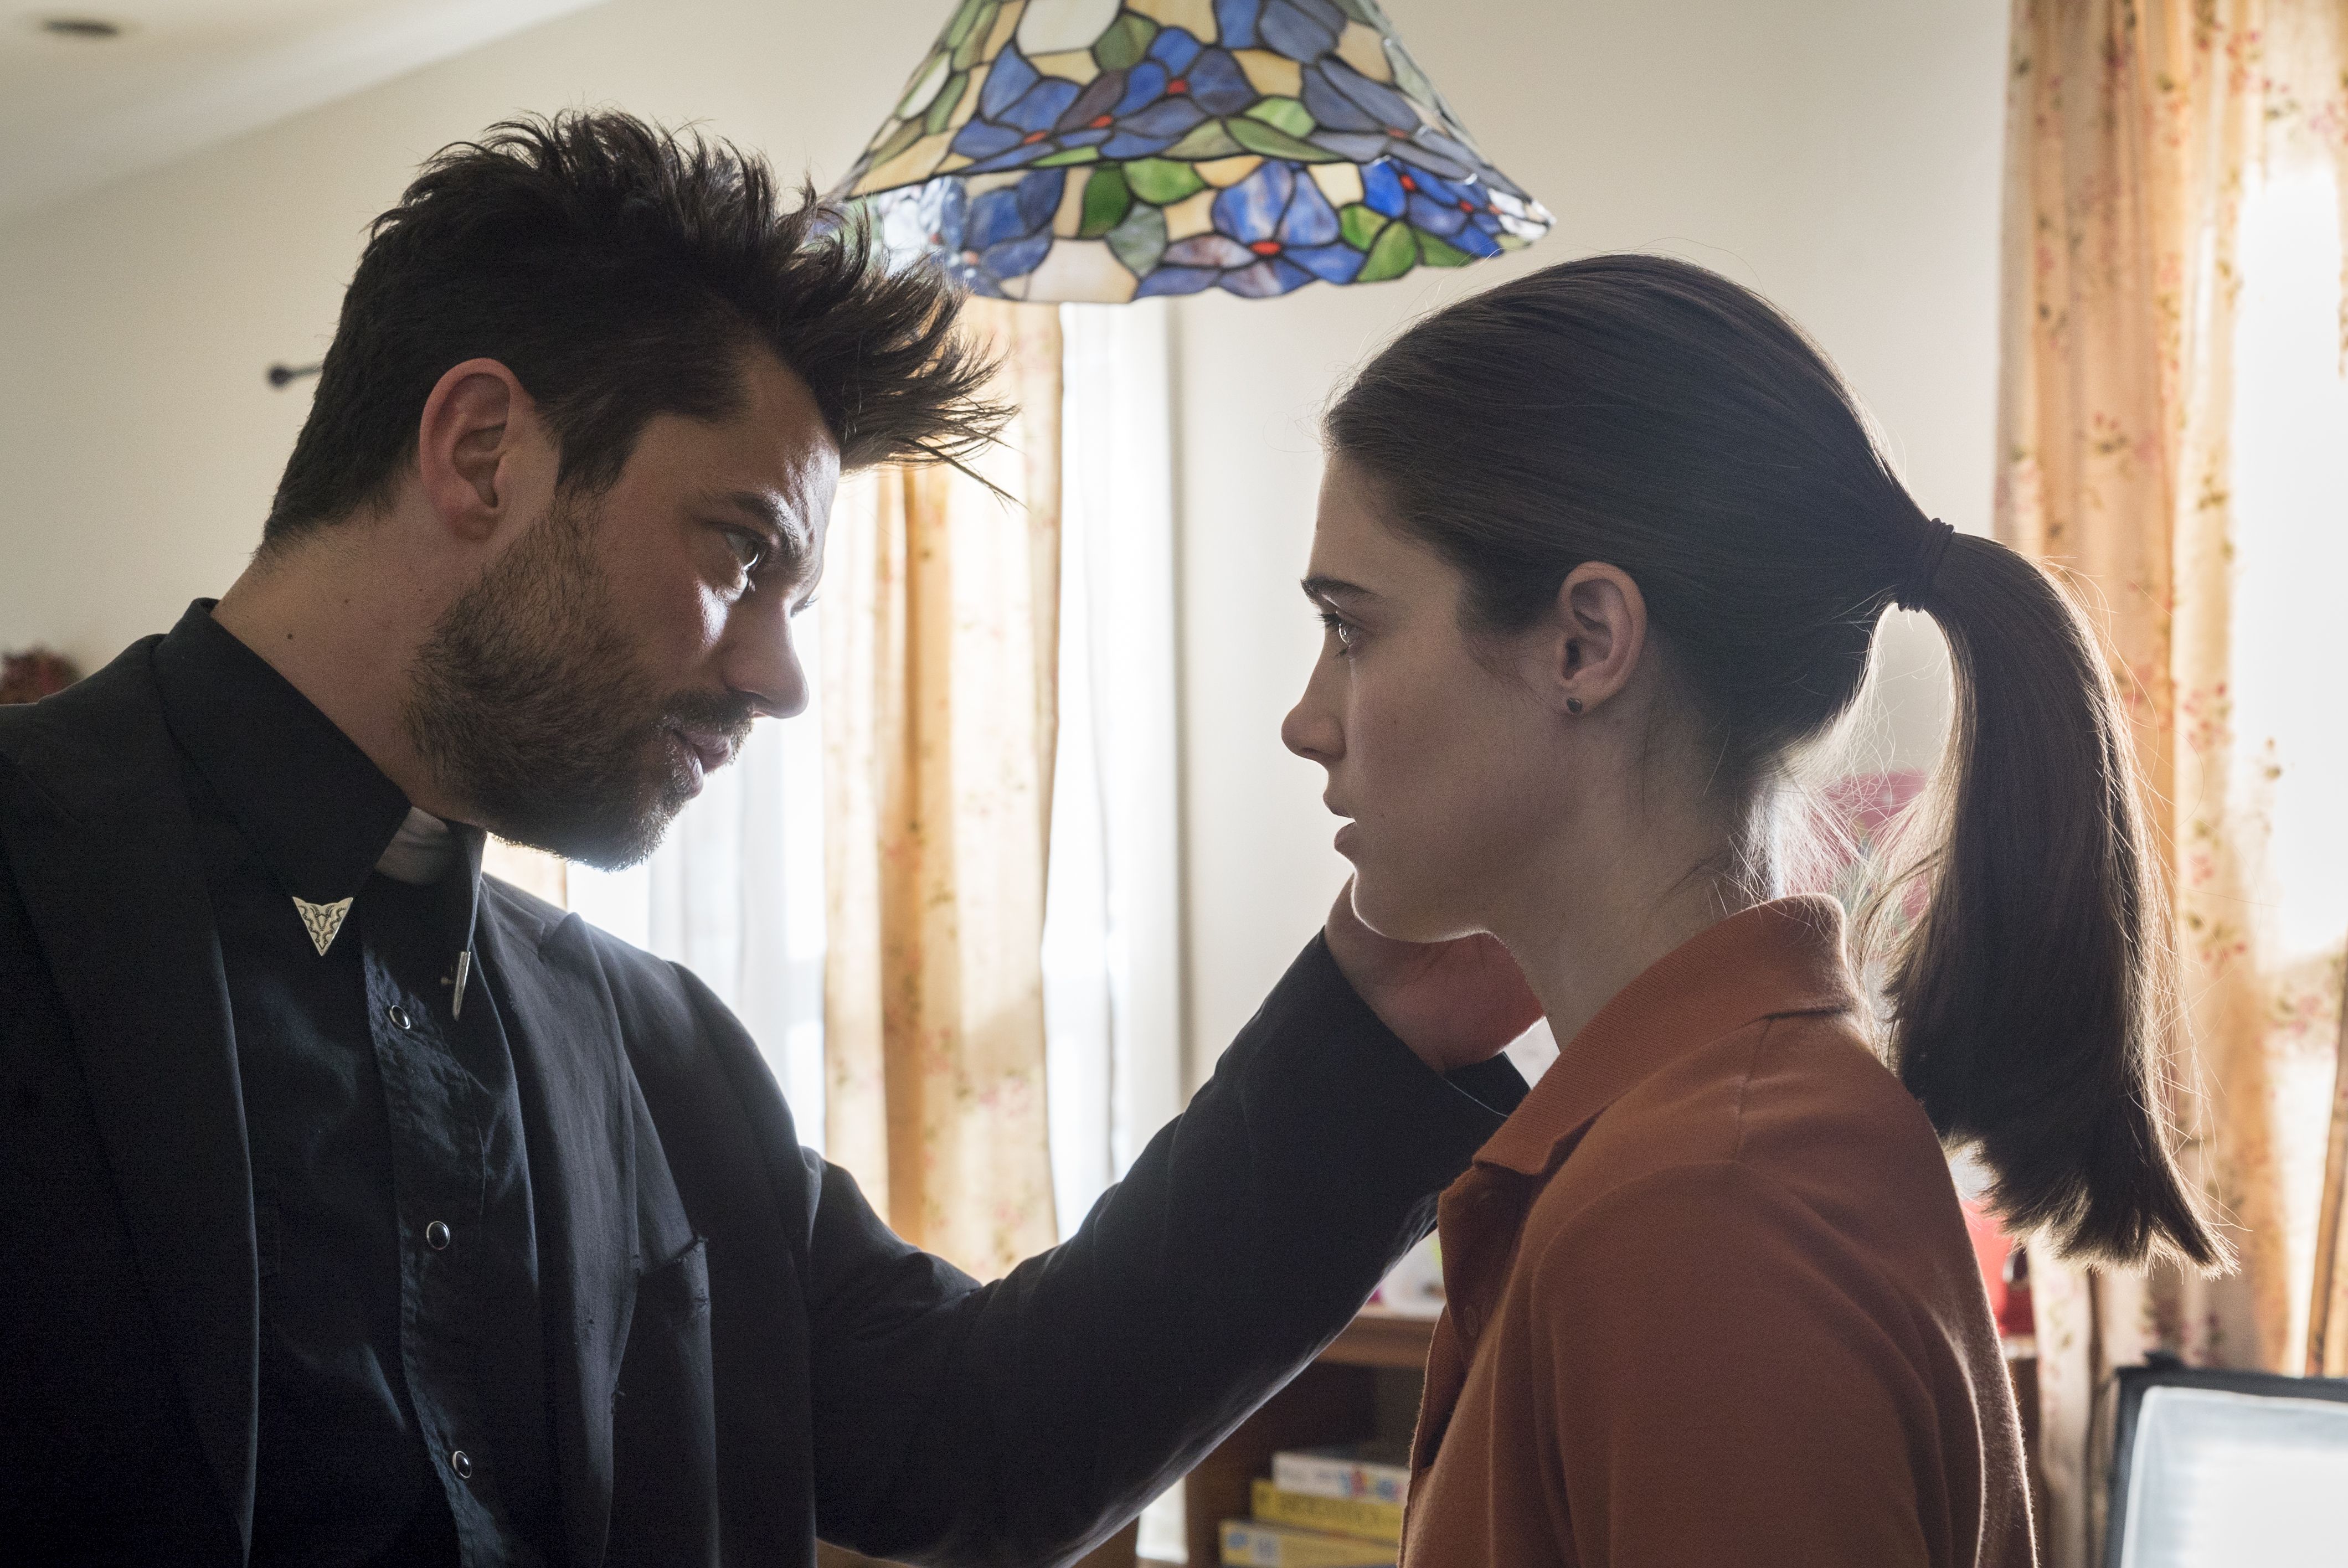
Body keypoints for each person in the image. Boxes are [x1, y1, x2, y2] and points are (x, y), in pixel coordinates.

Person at [0, 113, 1542, 1566]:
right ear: (480, 452)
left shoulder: (657, 1052)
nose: (780, 678)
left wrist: (1380, 1023)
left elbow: (979, 1439)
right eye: (742, 556)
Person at [1281, 255, 2228, 1567]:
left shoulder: (1700, 1212)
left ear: (1582, 643)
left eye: (1350, 631)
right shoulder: (1709, 1143)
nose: (1306, 720)